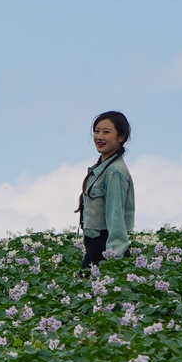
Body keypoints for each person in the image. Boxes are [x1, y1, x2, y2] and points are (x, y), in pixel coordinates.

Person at [75, 111, 135, 268]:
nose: (99, 137)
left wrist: (114, 259)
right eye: (96, 131)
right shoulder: (102, 168)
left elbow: (116, 217)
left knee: (84, 286)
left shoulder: (115, 172)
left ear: (121, 137)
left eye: (106, 132)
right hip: (95, 245)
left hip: (105, 247)